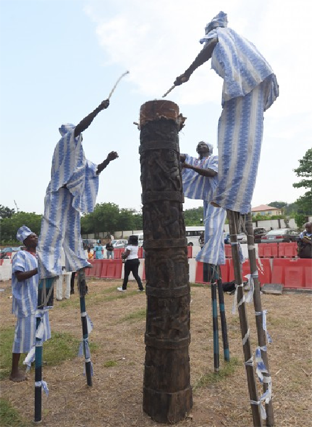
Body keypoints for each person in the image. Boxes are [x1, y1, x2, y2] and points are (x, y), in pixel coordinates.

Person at [174, 11, 279, 214]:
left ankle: (230, 197)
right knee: (248, 141)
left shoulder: (221, 33)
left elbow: (211, 45)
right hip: (258, 80)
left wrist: (188, 72)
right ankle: (235, 198)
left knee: (231, 137)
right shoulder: (240, 40)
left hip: (246, 81)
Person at [37, 98, 118, 280]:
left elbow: (95, 170)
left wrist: (108, 159)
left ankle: (78, 261)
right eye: (77, 133)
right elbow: (82, 126)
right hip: (58, 192)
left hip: (72, 196)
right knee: (53, 228)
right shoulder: (65, 144)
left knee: (73, 230)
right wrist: (98, 109)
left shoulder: (81, 159)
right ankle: (48, 267)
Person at [10, 226, 51, 382]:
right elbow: (19, 276)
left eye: (36, 235)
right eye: (33, 236)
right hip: (27, 301)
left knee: (39, 331)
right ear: (25, 240)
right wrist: (37, 269)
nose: (36, 238)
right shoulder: (20, 255)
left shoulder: (37, 255)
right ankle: (14, 371)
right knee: (22, 335)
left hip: (40, 299)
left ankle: (35, 359)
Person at [181, 141, 226, 266]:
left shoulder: (214, 159)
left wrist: (189, 167)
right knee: (209, 226)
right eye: (199, 145)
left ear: (209, 149)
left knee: (213, 225)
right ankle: (217, 257)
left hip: (217, 196)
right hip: (207, 197)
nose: (200, 146)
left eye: (203, 145)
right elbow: (180, 156)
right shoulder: (195, 161)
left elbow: (211, 172)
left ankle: (210, 257)